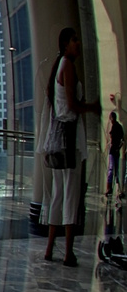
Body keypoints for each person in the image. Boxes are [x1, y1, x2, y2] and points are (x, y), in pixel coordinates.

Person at [44, 26, 98, 266]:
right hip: (69, 139)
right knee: (70, 195)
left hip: (57, 138)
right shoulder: (68, 65)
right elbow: (72, 105)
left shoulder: (59, 65)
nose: (78, 43)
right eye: (75, 40)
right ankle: (67, 252)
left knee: (57, 194)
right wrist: (92, 107)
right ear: (66, 44)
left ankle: (50, 249)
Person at [108, 108, 122, 196]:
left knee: (111, 169)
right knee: (116, 170)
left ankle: (109, 188)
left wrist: (115, 147)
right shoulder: (119, 127)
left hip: (113, 151)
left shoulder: (115, 126)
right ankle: (118, 190)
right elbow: (122, 140)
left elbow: (112, 137)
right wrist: (119, 148)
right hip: (116, 151)